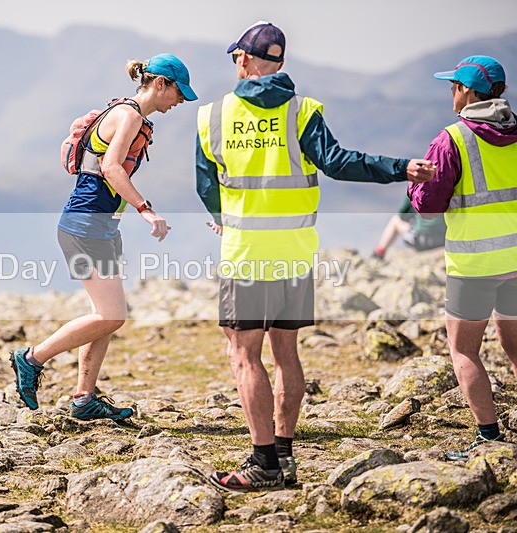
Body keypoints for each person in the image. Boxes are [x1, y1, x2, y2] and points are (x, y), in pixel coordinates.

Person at [196, 21, 436, 493]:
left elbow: (206, 185)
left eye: (235, 57)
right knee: (286, 352)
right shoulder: (301, 111)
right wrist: (400, 168)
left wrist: (225, 216)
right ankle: (283, 457)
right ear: (280, 64)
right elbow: (339, 161)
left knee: (243, 355)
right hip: (295, 251)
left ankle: (262, 462)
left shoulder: (213, 115)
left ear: (243, 60)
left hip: (245, 252)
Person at [9, 54, 198, 421]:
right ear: (160, 83)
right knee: (111, 316)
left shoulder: (133, 117)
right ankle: (31, 359)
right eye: (178, 92)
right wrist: (146, 209)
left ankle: (84, 398)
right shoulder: (127, 115)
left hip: (101, 226)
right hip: (84, 226)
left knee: (106, 316)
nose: (180, 101)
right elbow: (111, 167)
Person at [408, 55, 517, 460]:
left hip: (474, 266)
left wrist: (413, 188)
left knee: (464, 350)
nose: (450, 92)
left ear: (468, 92)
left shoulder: (452, 140)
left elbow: (429, 209)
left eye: (454, 85)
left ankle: (489, 438)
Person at [373, 193, 447, 259]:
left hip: (421, 242)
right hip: (444, 240)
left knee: (395, 220)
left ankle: (379, 252)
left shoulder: (415, 188)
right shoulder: (449, 184)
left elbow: (402, 216)